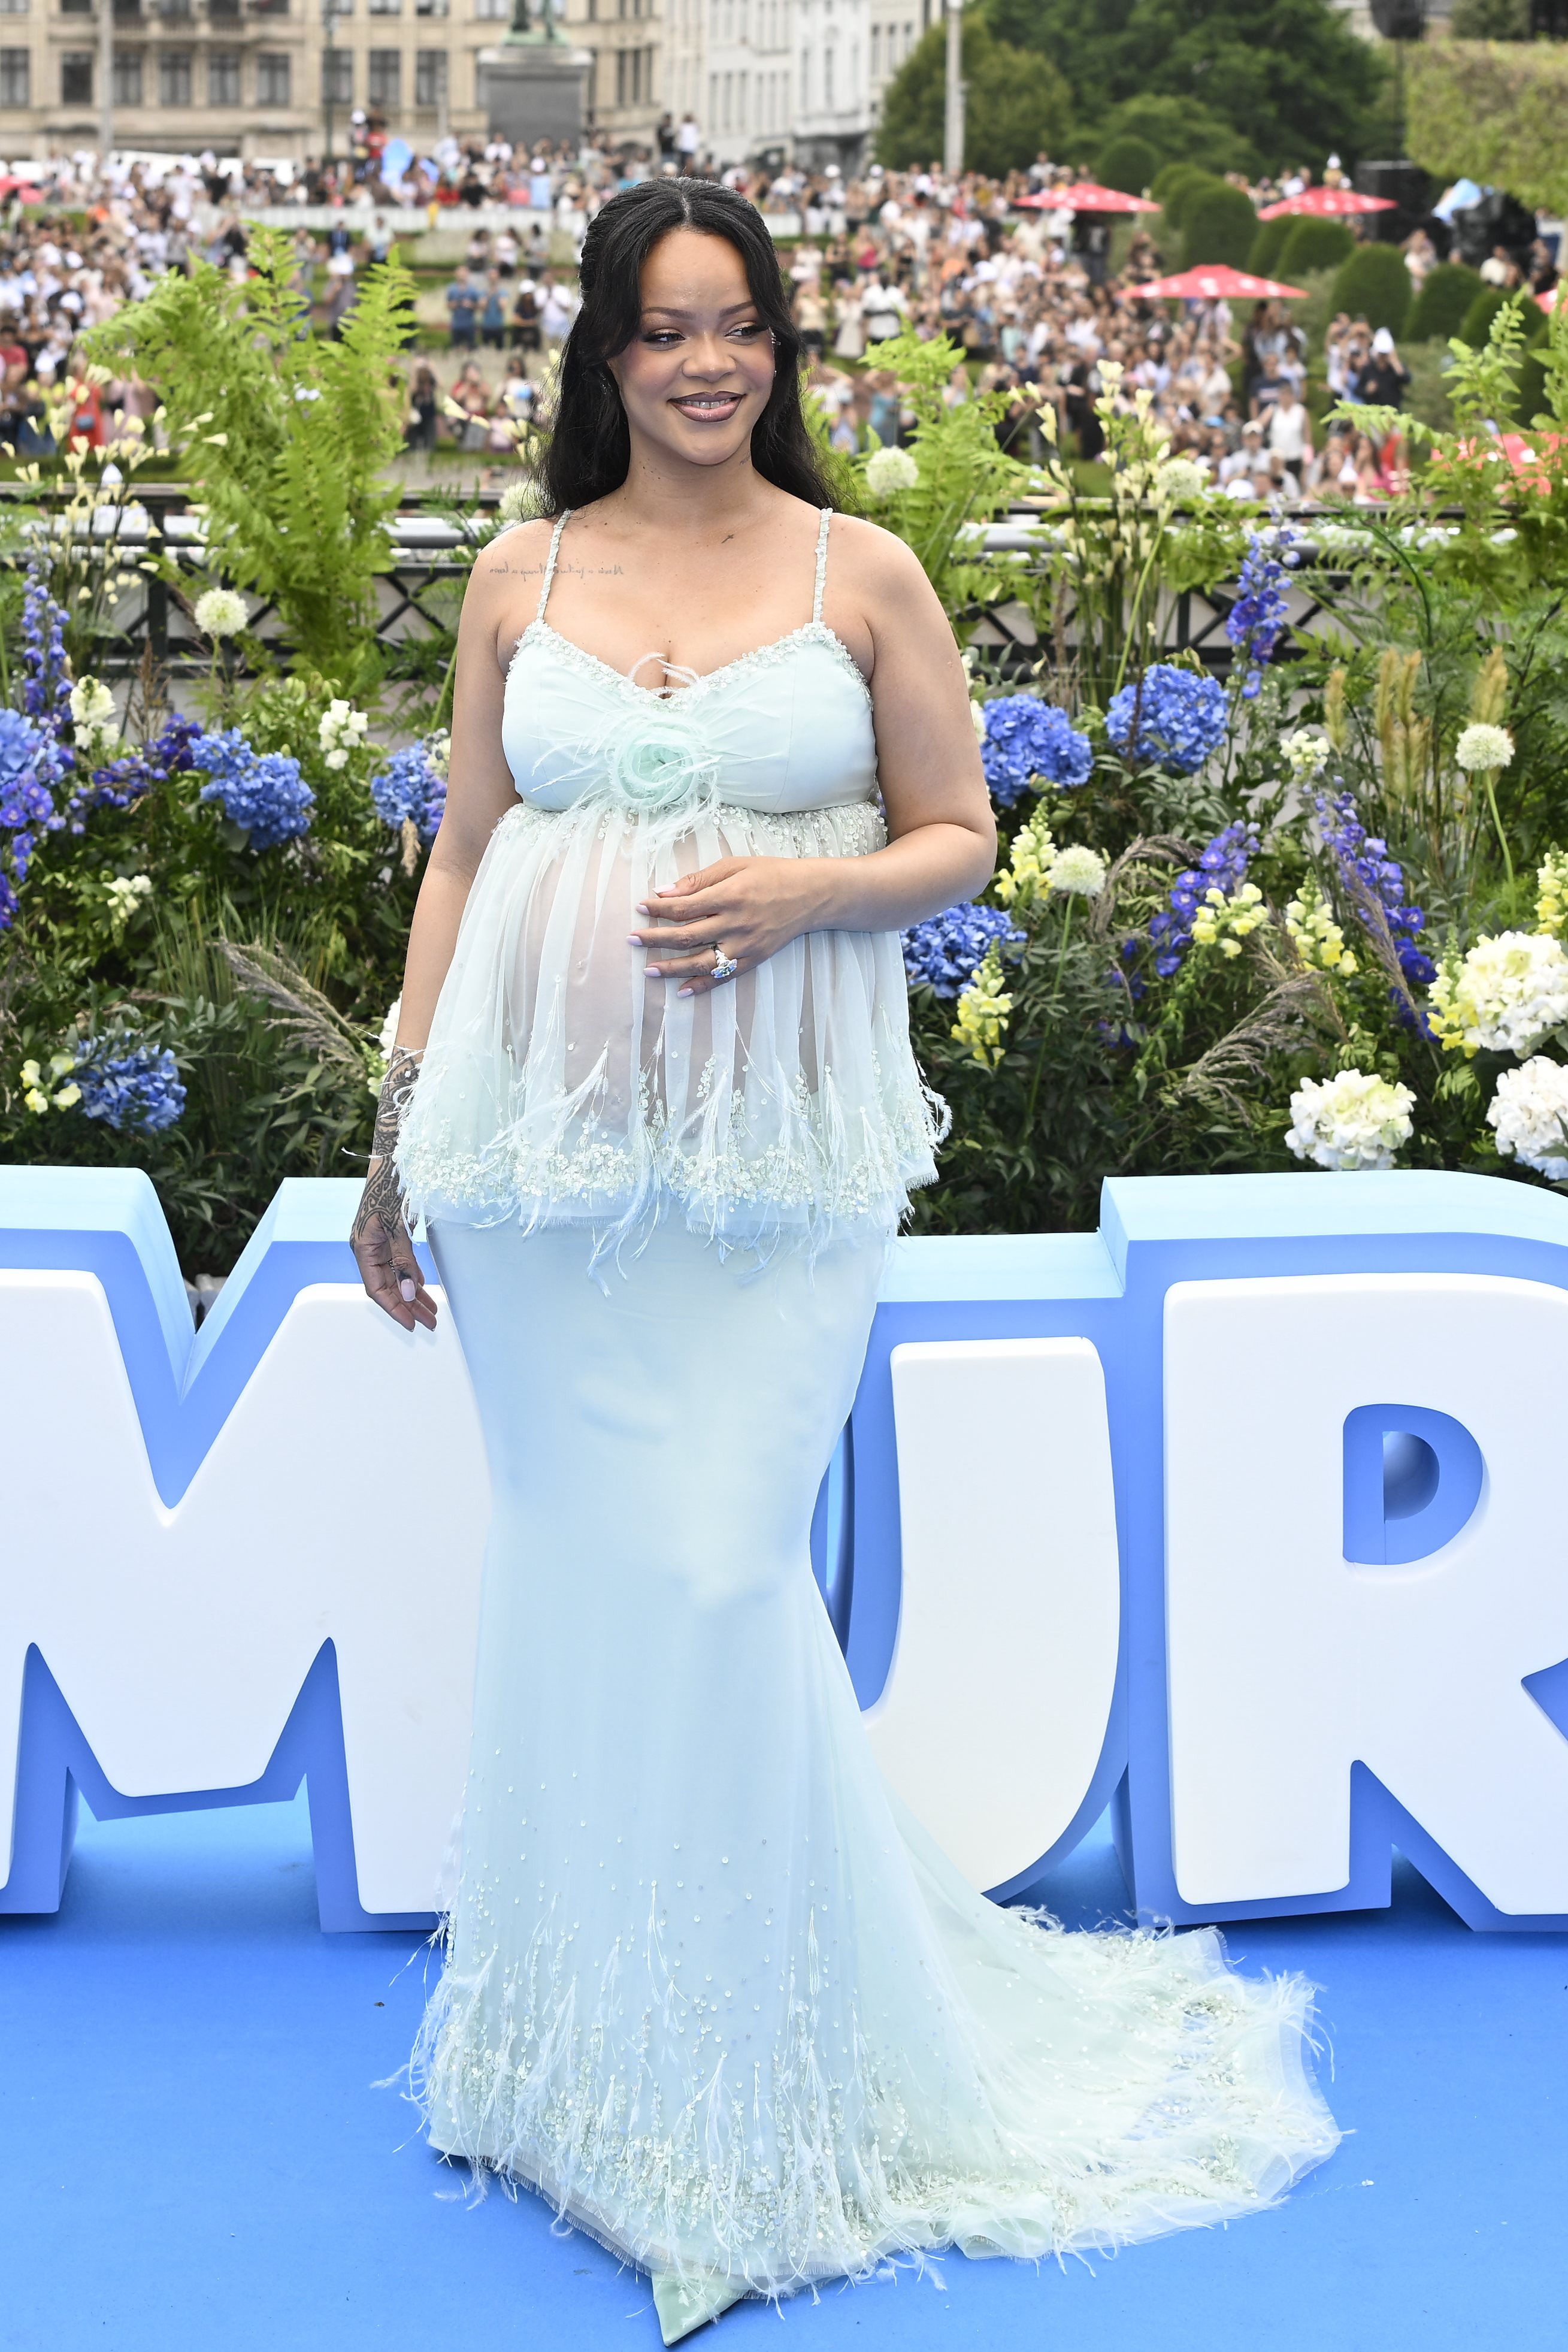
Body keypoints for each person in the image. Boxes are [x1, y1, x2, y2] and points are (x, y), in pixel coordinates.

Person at [349, 175, 1339, 2341]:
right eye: (666, 330)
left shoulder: (857, 567)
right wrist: (397, 1121)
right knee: (590, 1584)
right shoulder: (518, 574)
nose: (709, 365)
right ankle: (567, 2064)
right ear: (603, 356)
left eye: (743, 329)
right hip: (536, 1176)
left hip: (775, 1182)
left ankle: (745, 2101)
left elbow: (959, 831)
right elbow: (464, 847)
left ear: (781, 349)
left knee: (717, 1570)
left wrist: (807, 899)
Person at [446, 264, 481, 350]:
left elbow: (479, 306)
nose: (462, 275)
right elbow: (448, 305)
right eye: (460, 273)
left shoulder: (473, 290)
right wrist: (454, 304)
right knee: (456, 348)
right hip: (456, 325)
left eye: (464, 273)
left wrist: (470, 305)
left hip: (469, 325)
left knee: (471, 348)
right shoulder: (452, 289)